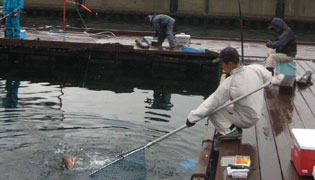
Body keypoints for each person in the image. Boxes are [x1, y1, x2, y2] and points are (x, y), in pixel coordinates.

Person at [186, 47, 272, 140]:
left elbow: (211, 102)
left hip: (246, 119)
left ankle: (229, 132)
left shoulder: (229, 83)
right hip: (255, 112)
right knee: (224, 102)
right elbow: (268, 78)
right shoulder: (256, 68)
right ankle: (234, 127)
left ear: (230, 64)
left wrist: (192, 119)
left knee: (212, 110)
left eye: (222, 64)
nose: (221, 66)